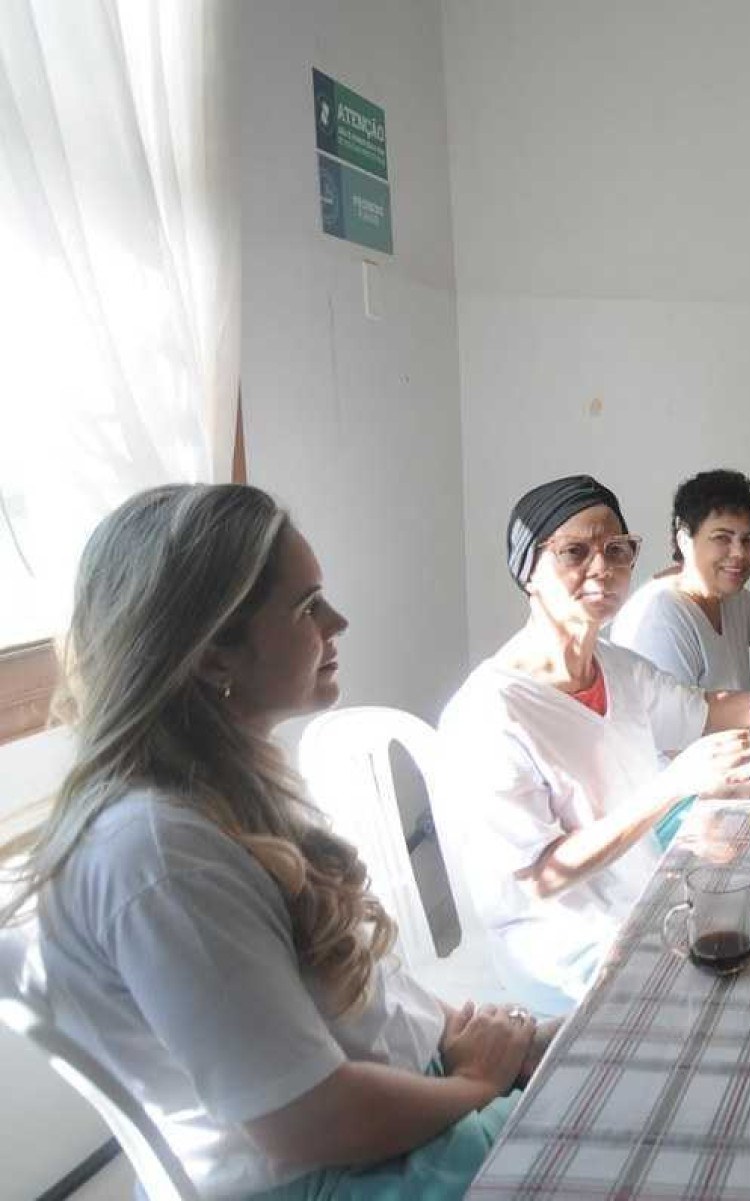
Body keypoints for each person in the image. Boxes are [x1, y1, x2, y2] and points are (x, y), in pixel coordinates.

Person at [0, 484, 549, 1199]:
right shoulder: (161, 854)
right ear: (212, 656)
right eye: (306, 605)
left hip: (396, 1109)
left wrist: (498, 1038)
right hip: (337, 1169)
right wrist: (481, 1080)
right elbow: (307, 1121)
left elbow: (367, 999)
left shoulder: (229, 786)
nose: (337, 621)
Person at [437, 476, 750, 1013]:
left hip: (641, 898)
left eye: (616, 551)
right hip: (563, 947)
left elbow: (701, 710)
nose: (602, 568)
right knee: (739, 999)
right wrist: (673, 785)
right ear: (528, 572)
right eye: (574, 552)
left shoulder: (618, 668)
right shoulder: (491, 712)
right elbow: (542, 878)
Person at [611, 469, 750, 691]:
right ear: (684, 541)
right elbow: (677, 722)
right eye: (722, 537)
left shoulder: (729, 596)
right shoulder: (660, 617)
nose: (739, 554)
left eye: (749, 539)